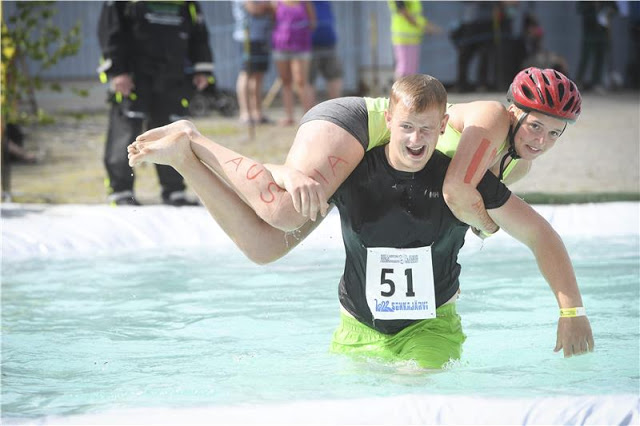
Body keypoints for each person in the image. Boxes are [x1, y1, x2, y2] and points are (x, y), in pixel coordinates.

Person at [127, 74, 593, 367]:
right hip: (363, 124)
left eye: (556, 132)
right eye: (535, 125)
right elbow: (455, 190)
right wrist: (486, 222)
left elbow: (530, 228)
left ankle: (186, 160)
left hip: (409, 151)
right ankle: (195, 137)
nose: (542, 139)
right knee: (285, 207)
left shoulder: (514, 163)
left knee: (266, 246)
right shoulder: (489, 118)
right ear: (514, 113)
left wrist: (571, 307)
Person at [97, 1, 214, 206]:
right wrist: (117, 70)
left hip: (173, 74)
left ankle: (174, 191)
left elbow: (198, 30)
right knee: (126, 130)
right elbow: (110, 29)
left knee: (171, 135)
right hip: (134, 75)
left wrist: (202, 67)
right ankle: (121, 191)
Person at [271, 0, 316, 126]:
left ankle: (309, 115)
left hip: (301, 46)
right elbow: (273, 20)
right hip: (281, 45)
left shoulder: (305, 3)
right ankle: (289, 116)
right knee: (286, 81)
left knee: (301, 81)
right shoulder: (276, 3)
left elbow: (313, 23)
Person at [233, 0, 274, 126]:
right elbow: (255, 9)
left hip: (263, 37)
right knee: (246, 73)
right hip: (247, 37)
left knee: (258, 76)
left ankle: (257, 113)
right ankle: (245, 113)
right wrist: (269, 6)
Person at [388, 1, 440, 80]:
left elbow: (417, 16)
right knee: (403, 69)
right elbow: (404, 12)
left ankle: (410, 91)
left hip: (414, 38)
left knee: (412, 70)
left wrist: (427, 25)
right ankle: (398, 90)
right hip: (402, 37)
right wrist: (424, 27)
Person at [309, 0, 343, 101]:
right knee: (309, 80)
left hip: (328, 42)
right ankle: (309, 114)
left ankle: (336, 111)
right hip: (309, 45)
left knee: (334, 76)